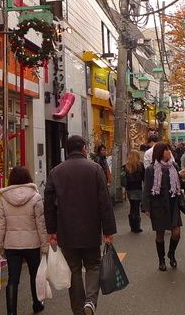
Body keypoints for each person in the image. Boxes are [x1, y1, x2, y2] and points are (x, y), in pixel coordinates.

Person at [44, 135, 116, 315]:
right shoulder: (95, 169)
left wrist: (51, 230)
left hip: (66, 229)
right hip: (91, 228)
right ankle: (90, 301)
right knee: (93, 264)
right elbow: (104, 202)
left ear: (67, 150)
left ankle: (78, 309)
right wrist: (108, 230)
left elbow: (48, 204)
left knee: (74, 269)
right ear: (84, 147)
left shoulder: (55, 172)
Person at [0, 167, 49, 315]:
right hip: (32, 244)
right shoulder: (35, 197)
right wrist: (45, 246)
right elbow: (41, 225)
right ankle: (37, 304)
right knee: (34, 275)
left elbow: (0, 226)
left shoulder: (4, 198)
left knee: (13, 279)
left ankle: (11, 312)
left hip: (11, 245)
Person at [142, 142, 185, 271]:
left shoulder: (174, 166)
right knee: (160, 234)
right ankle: (161, 260)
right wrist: (146, 207)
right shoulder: (151, 169)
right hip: (158, 205)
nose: (169, 152)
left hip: (173, 204)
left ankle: (171, 253)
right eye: (167, 149)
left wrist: (184, 178)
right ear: (160, 152)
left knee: (176, 233)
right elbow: (146, 189)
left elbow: (181, 186)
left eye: (169, 149)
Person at [124, 149, 145, 233]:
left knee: (132, 206)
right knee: (136, 207)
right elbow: (144, 177)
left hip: (129, 189)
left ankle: (132, 225)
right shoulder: (140, 165)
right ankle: (136, 226)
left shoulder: (126, 166)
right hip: (137, 188)